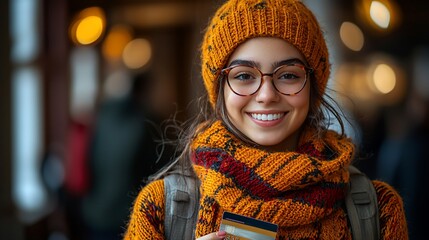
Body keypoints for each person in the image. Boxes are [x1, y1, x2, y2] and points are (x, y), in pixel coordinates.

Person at [123, 0, 408, 239]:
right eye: (244, 76)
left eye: (288, 75)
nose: (267, 94)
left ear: (313, 85)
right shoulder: (161, 209)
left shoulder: (377, 209)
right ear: (220, 89)